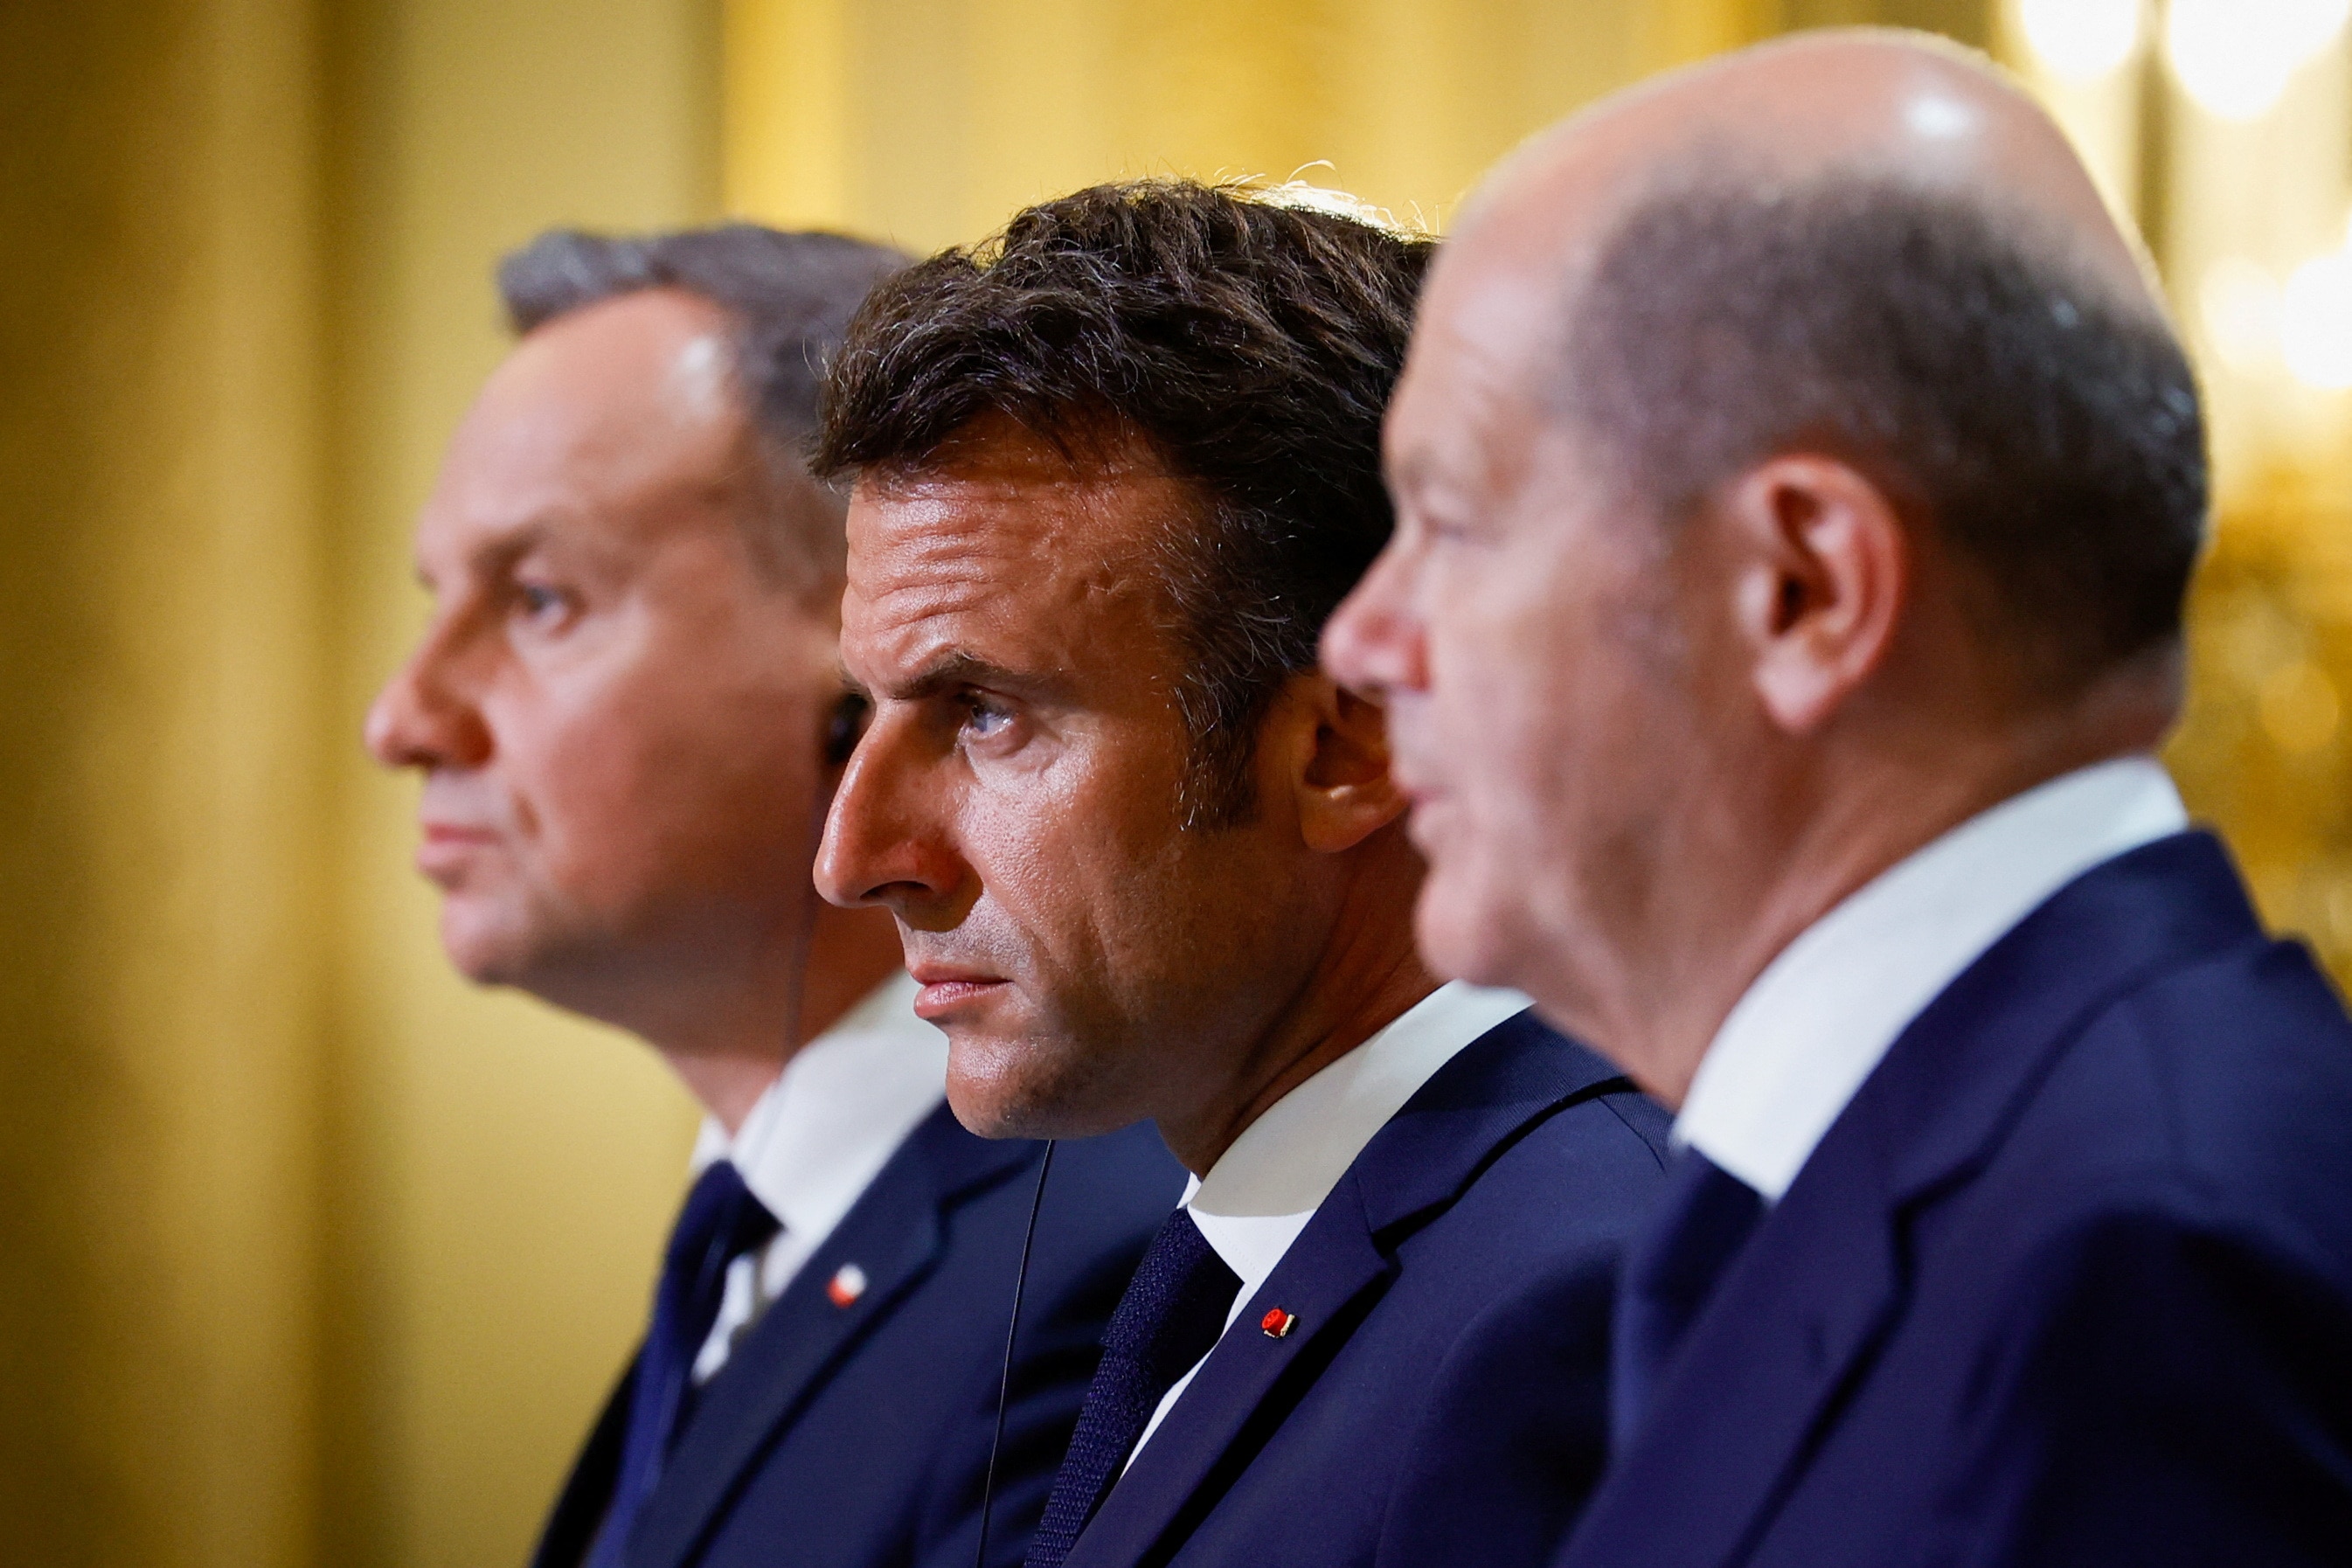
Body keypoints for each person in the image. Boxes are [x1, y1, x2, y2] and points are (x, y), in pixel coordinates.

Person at [1323, 30, 2352, 1567]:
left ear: (1802, 590)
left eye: (1452, 523)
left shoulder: (2140, 1270)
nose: (1362, 638)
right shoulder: (1907, 1162)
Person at [810, 179, 1670, 1568]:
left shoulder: (1578, 1307)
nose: (854, 859)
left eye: (986, 713)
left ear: (1350, 745)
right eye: (868, 712)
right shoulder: (1281, 1242)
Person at [364, 224, 1182, 1568]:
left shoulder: (1111, 1282)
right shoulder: (747, 1248)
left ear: (872, 653)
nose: (402, 720)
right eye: (438, 598)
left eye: (541, 599)